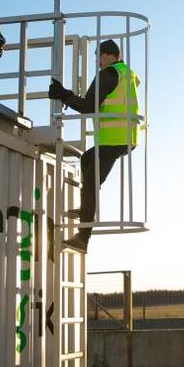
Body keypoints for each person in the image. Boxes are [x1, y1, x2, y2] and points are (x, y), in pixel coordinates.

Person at [48, 39, 140, 252]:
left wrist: (64, 94)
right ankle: (86, 209)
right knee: (87, 160)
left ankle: (83, 238)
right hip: (124, 137)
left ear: (109, 55)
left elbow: (88, 106)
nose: (98, 62)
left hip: (112, 138)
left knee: (90, 184)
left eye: (99, 56)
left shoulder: (109, 74)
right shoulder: (127, 73)